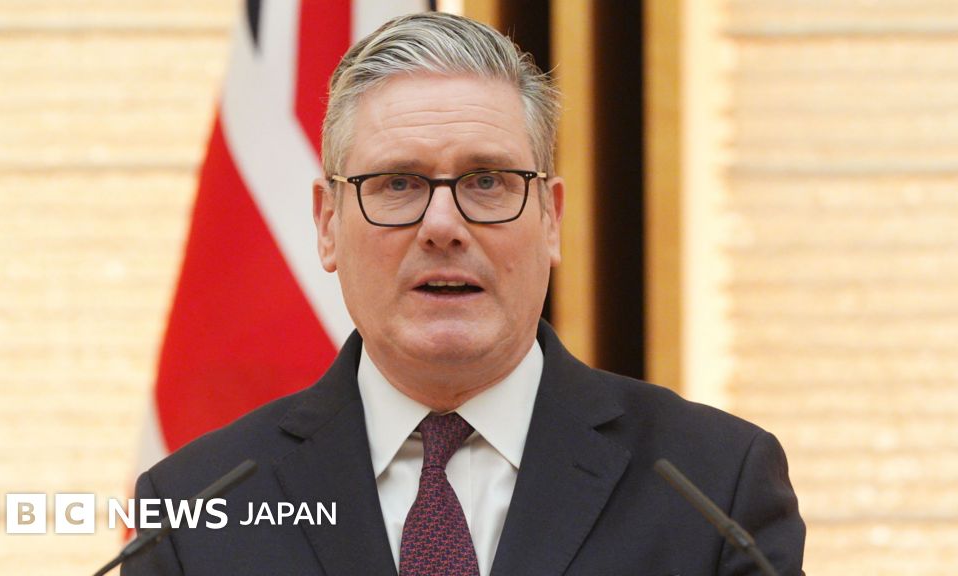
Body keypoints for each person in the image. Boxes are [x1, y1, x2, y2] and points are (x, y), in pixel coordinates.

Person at [123, 12, 805, 576]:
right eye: (397, 184)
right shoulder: (194, 509)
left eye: (486, 182)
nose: (443, 226)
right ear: (327, 225)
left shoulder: (712, 487)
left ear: (551, 220)